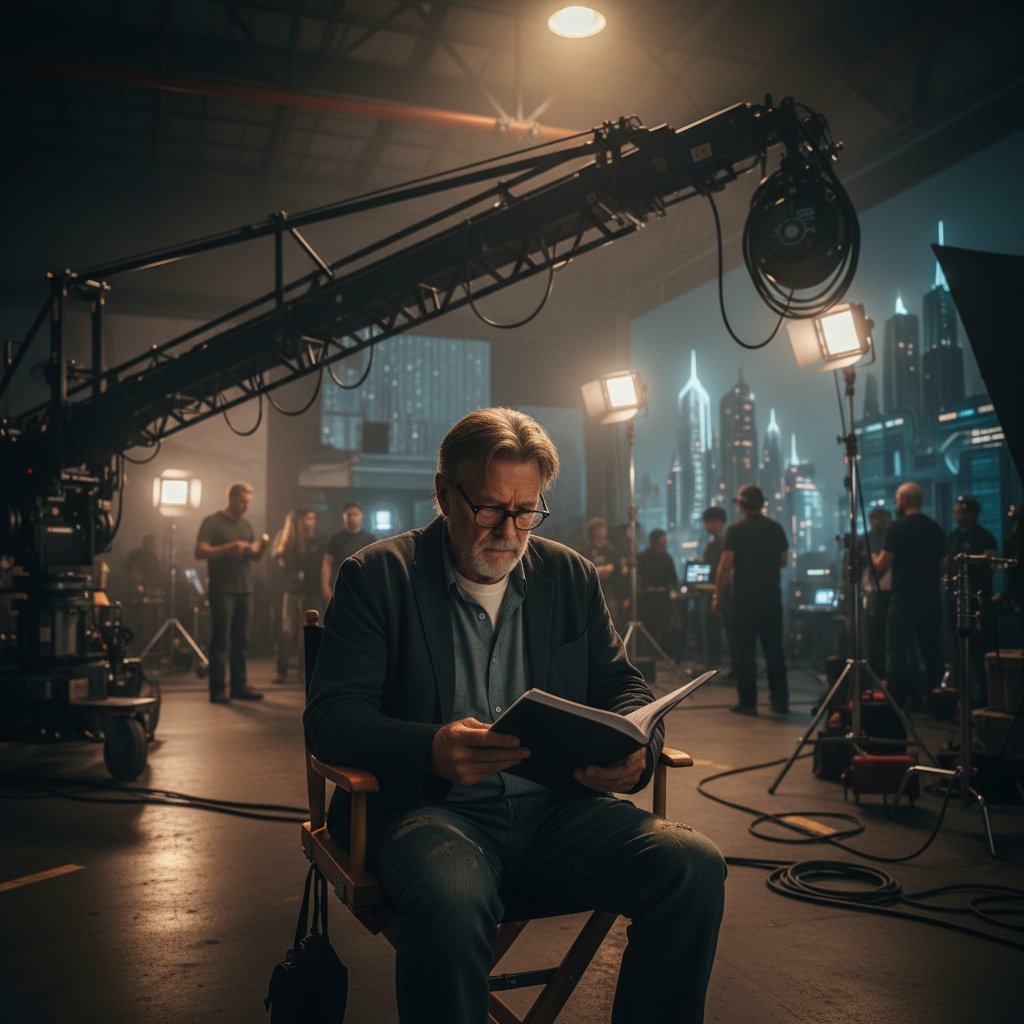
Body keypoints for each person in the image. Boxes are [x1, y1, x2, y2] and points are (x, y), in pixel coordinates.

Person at [304, 407, 725, 1024]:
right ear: (443, 491)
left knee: (693, 866)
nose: (510, 528)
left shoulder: (569, 575)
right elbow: (332, 718)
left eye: (527, 510)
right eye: (490, 508)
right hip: (429, 814)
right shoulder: (376, 577)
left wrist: (639, 747)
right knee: (449, 902)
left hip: (557, 811)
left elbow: (624, 686)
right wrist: (431, 747)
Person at [713, 484, 789, 714]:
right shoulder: (776, 528)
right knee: (774, 649)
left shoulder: (736, 530)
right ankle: (780, 700)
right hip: (771, 599)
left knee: (745, 651)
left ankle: (748, 702)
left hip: (744, 600)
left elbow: (725, 565)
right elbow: (783, 561)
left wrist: (718, 596)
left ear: (742, 505)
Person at [872, 482, 945, 710]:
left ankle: (897, 704)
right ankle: (936, 701)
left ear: (903, 500)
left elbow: (883, 565)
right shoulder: (935, 528)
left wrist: (871, 558)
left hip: (904, 600)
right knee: (932, 653)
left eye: (897, 499)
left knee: (897, 653)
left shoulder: (897, 528)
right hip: (932, 599)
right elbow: (944, 565)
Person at [194, 481, 270, 703]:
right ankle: (217, 689)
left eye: (248, 502)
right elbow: (199, 551)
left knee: (241, 640)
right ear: (232, 498)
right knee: (221, 641)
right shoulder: (212, 522)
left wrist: (261, 549)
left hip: (245, 590)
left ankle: (239, 686)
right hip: (222, 590)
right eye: (243, 501)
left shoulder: (246, 525)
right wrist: (228, 547)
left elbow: (253, 557)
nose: (246, 506)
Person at [945, 495, 998, 703]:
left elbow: (991, 564)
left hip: (977, 602)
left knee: (979, 652)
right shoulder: (952, 537)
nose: (958, 516)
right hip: (955, 603)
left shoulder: (985, 537)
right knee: (959, 654)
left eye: (962, 512)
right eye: (956, 512)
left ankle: (987, 699)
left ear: (972, 513)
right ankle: (962, 699)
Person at [272, 507, 327, 684]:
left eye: (313, 518)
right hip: (293, 590)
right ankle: (281, 670)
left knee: (311, 632)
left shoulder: (320, 539)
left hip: (312, 591)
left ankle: (307, 671)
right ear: (300, 521)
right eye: (307, 518)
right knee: (287, 630)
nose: (310, 522)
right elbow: (279, 560)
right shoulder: (289, 538)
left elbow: (325, 564)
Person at [321, 502, 377, 606]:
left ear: (361, 515)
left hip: (362, 589)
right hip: (339, 587)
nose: (352, 518)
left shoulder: (370, 538)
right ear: (343, 516)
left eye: (355, 514)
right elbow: (327, 563)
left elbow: (376, 565)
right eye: (349, 514)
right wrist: (325, 587)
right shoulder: (336, 539)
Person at [860, 506, 893, 678]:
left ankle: (889, 677)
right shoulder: (864, 539)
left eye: (880, 518)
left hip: (891, 592)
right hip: (871, 592)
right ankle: (875, 677)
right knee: (873, 639)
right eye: (873, 518)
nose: (876, 522)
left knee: (890, 639)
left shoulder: (893, 537)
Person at [636, 527, 680, 656]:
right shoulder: (644, 556)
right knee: (650, 628)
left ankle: (662, 653)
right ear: (656, 541)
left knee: (664, 626)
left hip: (664, 597)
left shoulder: (667, 557)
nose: (665, 541)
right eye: (663, 539)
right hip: (648, 599)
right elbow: (639, 576)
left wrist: (676, 591)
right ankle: (649, 654)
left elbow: (673, 577)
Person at [700, 506, 730, 669]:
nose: (707, 527)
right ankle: (714, 663)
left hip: (720, 591)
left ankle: (713, 664)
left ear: (717, 522)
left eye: (709, 523)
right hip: (714, 589)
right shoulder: (714, 543)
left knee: (714, 628)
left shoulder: (725, 542)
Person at [580, 515, 621, 622]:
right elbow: (586, 569)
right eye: (600, 529)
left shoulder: (609, 549)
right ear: (594, 531)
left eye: (604, 528)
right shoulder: (586, 548)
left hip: (607, 589)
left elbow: (612, 568)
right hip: (591, 588)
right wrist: (601, 570)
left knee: (611, 616)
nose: (603, 531)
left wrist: (599, 570)